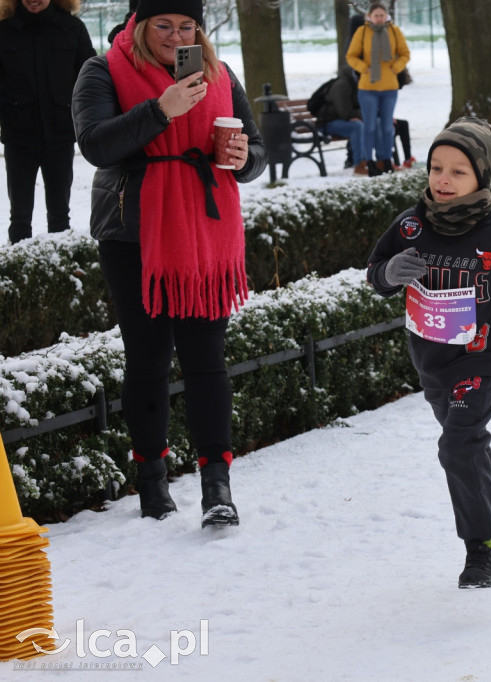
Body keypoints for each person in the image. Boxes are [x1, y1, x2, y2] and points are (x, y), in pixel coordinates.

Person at [71, 0, 267, 527]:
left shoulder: (219, 72)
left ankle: (216, 485)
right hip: (133, 236)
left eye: (187, 25)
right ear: (138, 24)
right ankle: (152, 479)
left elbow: (256, 152)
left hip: (205, 234)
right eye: (163, 24)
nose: (175, 35)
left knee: (206, 360)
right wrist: (162, 110)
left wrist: (242, 157)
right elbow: (95, 144)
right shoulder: (102, 69)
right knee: (149, 358)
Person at [366, 117, 491, 588]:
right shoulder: (410, 225)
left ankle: (481, 551)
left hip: (483, 357)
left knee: (456, 442)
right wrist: (390, 271)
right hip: (431, 361)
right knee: (466, 445)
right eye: (436, 168)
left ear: (482, 178)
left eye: (458, 171)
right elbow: (374, 274)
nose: (443, 180)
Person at [0, 0, 95, 244]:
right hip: (18, 139)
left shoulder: (73, 29)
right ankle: (19, 275)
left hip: (60, 137)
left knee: (60, 216)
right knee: (19, 218)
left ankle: (60, 274)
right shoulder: (4, 30)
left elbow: (90, 80)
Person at [346, 1, 409, 177]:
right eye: (376, 16)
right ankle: (370, 161)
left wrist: (396, 67)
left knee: (388, 127)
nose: (379, 18)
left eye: (382, 15)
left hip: (389, 87)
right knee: (370, 126)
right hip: (368, 88)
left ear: (386, 15)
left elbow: (405, 54)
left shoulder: (394, 31)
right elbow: (351, 56)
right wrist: (363, 67)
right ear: (370, 17)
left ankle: (386, 159)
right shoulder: (363, 31)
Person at [315, 66, 368, 175]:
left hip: (342, 120)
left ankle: (379, 161)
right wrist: (364, 115)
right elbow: (345, 113)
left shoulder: (355, 84)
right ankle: (360, 165)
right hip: (328, 123)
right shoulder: (342, 86)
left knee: (373, 123)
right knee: (357, 126)